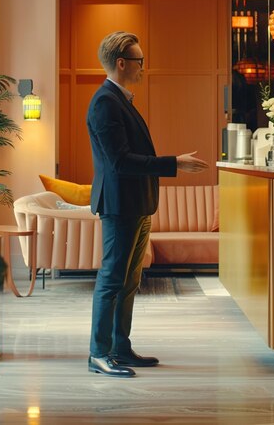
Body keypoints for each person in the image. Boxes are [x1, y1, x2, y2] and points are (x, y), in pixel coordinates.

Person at [86, 31, 209, 378]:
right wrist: (174, 163)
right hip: (120, 205)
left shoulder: (120, 100)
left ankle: (120, 348)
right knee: (112, 280)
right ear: (122, 63)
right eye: (140, 61)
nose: (143, 67)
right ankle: (99, 353)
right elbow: (120, 162)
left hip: (137, 204)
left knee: (129, 281)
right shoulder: (104, 102)